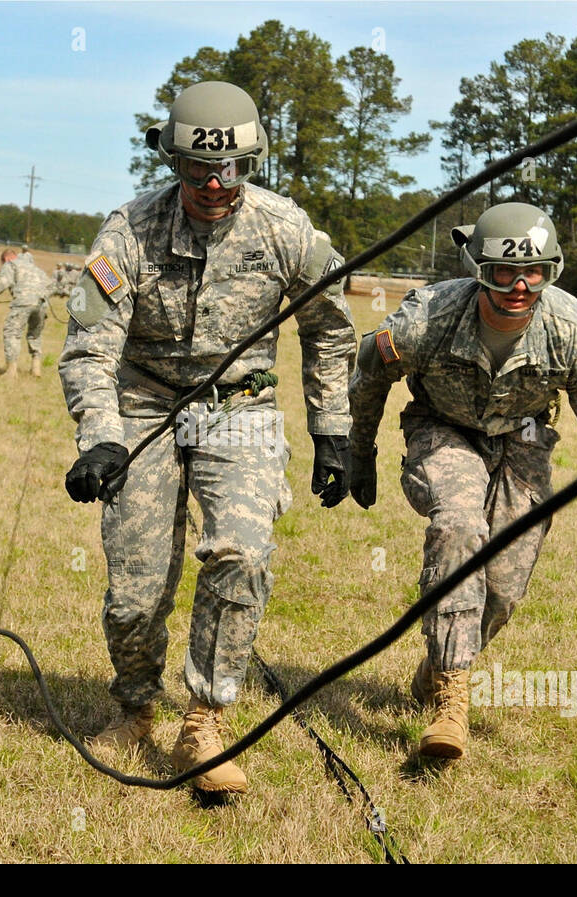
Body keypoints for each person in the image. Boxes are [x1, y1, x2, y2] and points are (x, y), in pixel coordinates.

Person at [58, 81, 356, 794]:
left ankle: (204, 719)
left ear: (250, 162)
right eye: (198, 170)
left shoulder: (285, 228)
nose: (215, 185)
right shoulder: (127, 230)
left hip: (239, 406)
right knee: (135, 584)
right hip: (144, 403)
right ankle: (134, 706)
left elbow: (330, 328)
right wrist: (100, 438)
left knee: (241, 552)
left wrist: (334, 430)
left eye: (230, 170)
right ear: (173, 162)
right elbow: (90, 345)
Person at [347, 203, 577, 761]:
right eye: (505, 272)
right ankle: (452, 700)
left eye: (536, 272)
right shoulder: (428, 317)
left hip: (523, 439)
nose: (521, 286)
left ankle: (437, 668)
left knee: (504, 587)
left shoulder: (571, 328)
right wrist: (359, 452)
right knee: (459, 525)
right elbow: (369, 375)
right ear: (480, 269)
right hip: (443, 427)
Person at [0, 247, 52, 377]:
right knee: (35, 335)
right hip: (42, 303)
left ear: (5, 259)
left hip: (23, 302)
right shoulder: (34, 267)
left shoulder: (10, 265)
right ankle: (36, 368)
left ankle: (11, 371)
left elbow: (4, 282)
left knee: (12, 332)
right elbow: (49, 285)